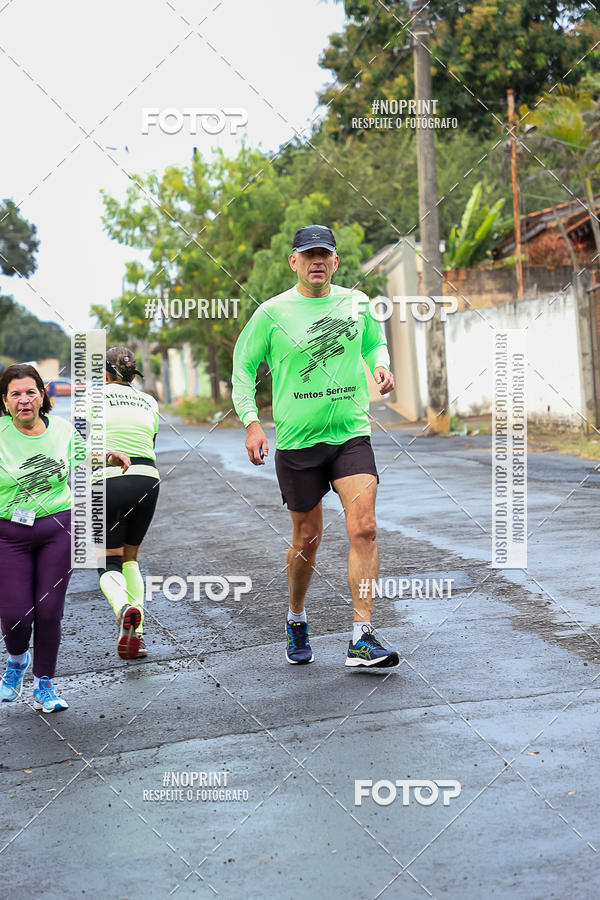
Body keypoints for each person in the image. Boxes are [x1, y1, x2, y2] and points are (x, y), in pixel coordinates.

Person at [232, 224, 400, 669]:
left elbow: (374, 344)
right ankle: (296, 616)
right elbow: (243, 369)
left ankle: (362, 637)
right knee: (308, 538)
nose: (317, 261)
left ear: (336, 261)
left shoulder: (355, 303)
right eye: (308, 255)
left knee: (364, 527)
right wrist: (251, 422)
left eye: (324, 254)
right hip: (297, 443)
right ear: (294, 262)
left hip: (350, 434)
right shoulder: (271, 313)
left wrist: (381, 367)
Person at [0, 364, 130, 711]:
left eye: (31, 392)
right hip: (8, 534)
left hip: (57, 528)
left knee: (49, 609)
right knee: (16, 614)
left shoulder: (60, 429)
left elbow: (80, 455)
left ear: (42, 395)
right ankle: (16, 661)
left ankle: (45, 684)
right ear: (5, 401)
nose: (24, 400)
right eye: (16, 394)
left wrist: (108, 456)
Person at [96, 347, 160, 660]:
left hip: (107, 480)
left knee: (107, 561)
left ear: (104, 374)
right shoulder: (149, 400)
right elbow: (150, 443)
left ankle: (124, 608)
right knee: (131, 558)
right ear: (134, 376)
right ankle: (139, 636)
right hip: (148, 478)